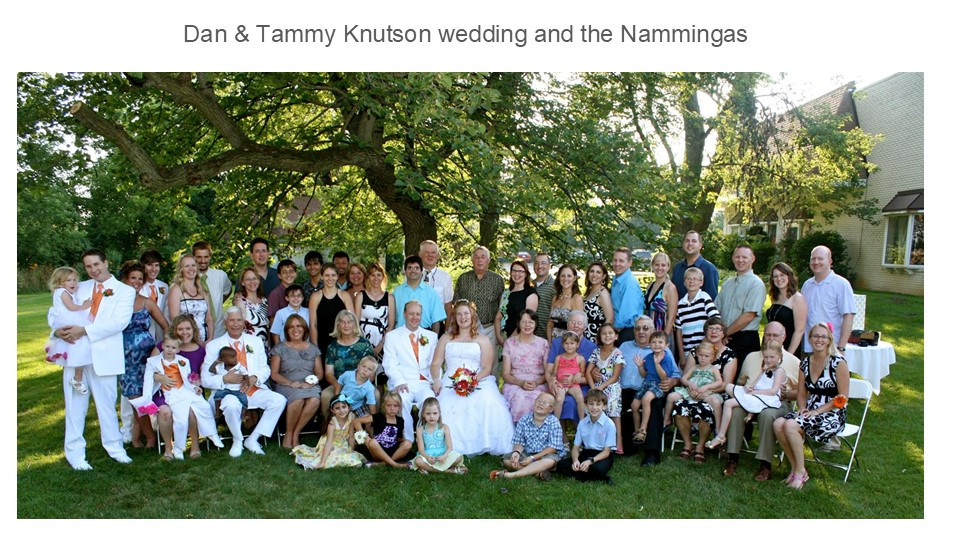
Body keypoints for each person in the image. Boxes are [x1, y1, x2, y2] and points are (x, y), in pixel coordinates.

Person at [53, 248, 134, 470]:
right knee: (74, 406)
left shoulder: (125, 291)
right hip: (75, 353)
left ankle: (115, 448)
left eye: (96, 264)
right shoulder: (78, 286)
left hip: (105, 354)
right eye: (88, 266)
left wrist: (84, 330)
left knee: (107, 406)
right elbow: (57, 310)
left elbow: (119, 323)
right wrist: (57, 331)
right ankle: (75, 454)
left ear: (106, 263)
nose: (93, 270)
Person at [432, 299, 515, 457]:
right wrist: (436, 380)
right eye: (459, 314)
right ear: (454, 317)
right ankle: (446, 443)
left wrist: (471, 381)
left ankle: (485, 442)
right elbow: (436, 363)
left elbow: (486, 368)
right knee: (444, 402)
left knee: (488, 401)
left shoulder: (482, 339)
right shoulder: (446, 338)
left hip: (478, 378)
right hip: (451, 378)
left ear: (472, 316)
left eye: (466, 313)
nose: (463, 317)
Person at [202, 306, 286, 457]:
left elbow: (265, 368)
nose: (235, 324)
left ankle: (253, 439)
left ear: (244, 322)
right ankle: (238, 440)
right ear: (225, 323)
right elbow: (205, 379)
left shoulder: (255, 342)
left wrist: (255, 378)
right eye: (231, 320)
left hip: (252, 389)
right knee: (231, 405)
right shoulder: (213, 346)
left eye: (239, 320)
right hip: (228, 392)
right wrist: (223, 378)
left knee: (279, 400)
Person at [774, 322, 850, 489]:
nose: (819, 340)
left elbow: (843, 398)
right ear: (809, 339)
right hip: (809, 410)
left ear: (829, 340)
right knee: (778, 424)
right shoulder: (805, 363)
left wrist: (818, 411)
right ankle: (796, 468)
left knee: (791, 426)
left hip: (832, 412)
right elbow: (802, 393)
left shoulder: (838, 363)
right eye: (815, 336)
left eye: (823, 336)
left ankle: (800, 472)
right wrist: (802, 408)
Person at [720, 321, 800, 480]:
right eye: (768, 335)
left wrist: (787, 393)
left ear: (784, 337)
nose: (771, 338)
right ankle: (732, 458)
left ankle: (765, 464)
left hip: (778, 402)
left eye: (775, 335)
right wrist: (746, 391)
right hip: (751, 399)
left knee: (767, 415)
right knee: (735, 410)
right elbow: (741, 382)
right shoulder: (751, 357)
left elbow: (801, 392)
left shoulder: (794, 362)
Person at [131, 335, 223, 460]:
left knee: (205, 406)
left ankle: (212, 434)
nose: (170, 350)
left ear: (178, 349)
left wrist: (195, 387)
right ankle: (178, 448)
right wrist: (146, 399)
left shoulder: (183, 361)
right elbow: (148, 381)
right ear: (162, 346)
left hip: (185, 390)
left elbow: (187, 378)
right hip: (172, 394)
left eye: (173, 348)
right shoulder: (153, 362)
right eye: (167, 346)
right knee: (181, 420)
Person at [612, 315, 677, 463]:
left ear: (653, 330)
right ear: (633, 331)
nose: (641, 331)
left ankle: (652, 452)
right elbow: (611, 364)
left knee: (654, 404)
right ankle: (628, 444)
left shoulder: (663, 350)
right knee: (621, 402)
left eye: (646, 328)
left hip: (651, 388)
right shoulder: (624, 346)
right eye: (638, 328)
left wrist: (672, 382)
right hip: (625, 389)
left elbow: (676, 375)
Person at [119, 260, 168, 449]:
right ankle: (147, 435)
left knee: (144, 395)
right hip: (125, 359)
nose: (137, 282)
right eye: (133, 278)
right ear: (125, 279)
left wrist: (162, 349)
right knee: (134, 398)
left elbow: (166, 327)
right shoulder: (116, 302)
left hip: (147, 357)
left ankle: (144, 437)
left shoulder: (147, 302)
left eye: (140, 278)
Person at [706, 340, 786, 450]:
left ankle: (721, 436)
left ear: (779, 356)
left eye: (772, 357)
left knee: (728, 403)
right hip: (756, 395)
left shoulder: (779, 371)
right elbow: (755, 385)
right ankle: (749, 408)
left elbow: (773, 391)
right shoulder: (765, 369)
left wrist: (754, 393)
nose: (768, 360)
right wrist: (749, 387)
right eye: (766, 357)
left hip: (766, 398)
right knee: (728, 387)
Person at [150, 315, 207, 459]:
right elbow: (149, 369)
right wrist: (158, 377)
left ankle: (195, 446)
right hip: (163, 390)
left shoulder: (201, 350)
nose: (184, 332)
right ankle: (168, 448)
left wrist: (197, 384)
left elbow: (205, 375)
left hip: (188, 390)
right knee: (165, 412)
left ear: (193, 329)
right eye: (180, 329)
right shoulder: (164, 346)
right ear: (174, 330)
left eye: (188, 328)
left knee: (191, 410)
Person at [382, 300, 438, 441]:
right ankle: (408, 440)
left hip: (424, 382)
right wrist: (399, 381)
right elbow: (389, 363)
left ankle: (427, 439)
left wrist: (434, 381)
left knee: (429, 401)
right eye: (411, 314)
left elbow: (435, 363)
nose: (415, 317)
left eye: (418, 314)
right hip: (403, 381)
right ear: (404, 314)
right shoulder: (392, 336)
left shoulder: (431, 337)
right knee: (403, 401)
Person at [269, 314, 322, 448]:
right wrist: (290, 383)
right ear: (286, 330)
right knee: (298, 399)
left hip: (308, 384)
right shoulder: (279, 348)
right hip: (286, 384)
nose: (295, 329)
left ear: (304, 329)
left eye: (299, 326)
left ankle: (296, 433)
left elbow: (319, 373)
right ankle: (288, 433)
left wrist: (311, 382)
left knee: (315, 399)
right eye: (291, 327)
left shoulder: (313, 348)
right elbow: (274, 374)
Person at [667, 341, 724, 462]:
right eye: (701, 355)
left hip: (706, 394)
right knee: (671, 396)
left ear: (713, 357)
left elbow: (719, 382)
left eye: (706, 356)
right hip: (690, 393)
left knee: (716, 402)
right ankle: (666, 420)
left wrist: (707, 387)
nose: (703, 358)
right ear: (697, 354)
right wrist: (689, 384)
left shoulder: (713, 369)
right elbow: (683, 379)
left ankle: (718, 429)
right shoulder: (694, 367)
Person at [489, 392, 565, 481]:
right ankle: (538, 472)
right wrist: (517, 452)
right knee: (507, 460)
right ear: (535, 402)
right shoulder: (524, 420)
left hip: (546, 454)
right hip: (528, 453)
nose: (541, 403)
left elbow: (552, 448)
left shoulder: (554, 422)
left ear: (551, 409)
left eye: (545, 403)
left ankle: (510, 475)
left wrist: (533, 458)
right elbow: (519, 441)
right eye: (539, 401)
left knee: (550, 461)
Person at [714, 244, 766, 366]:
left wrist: (724, 334)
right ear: (733, 258)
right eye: (737, 257)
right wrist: (719, 333)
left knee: (742, 376)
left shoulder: (756, 284)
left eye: (744, 257)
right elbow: (716, 311)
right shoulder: (727, 284)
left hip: (745, 340)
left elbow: (749, 316)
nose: (740, 260)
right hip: (725, 339)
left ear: (752, 259)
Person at [320, 309, 376, 422]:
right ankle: (331, 425)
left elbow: (371, 370)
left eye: (350, 322)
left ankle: (373, 425)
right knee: (325, 395)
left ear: (355, 324)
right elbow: (329, 373)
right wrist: (338, 385)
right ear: (338, 324)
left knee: (377, 395)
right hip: (339, 384)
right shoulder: (332, 347)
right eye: (343, 322)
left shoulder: (364, 344)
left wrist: (360, 385)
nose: (346, 325)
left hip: (362, 383)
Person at [45, 267, 92, 394]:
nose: (73, 283)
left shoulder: (62, 292)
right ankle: (77, 378)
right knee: (81, 348)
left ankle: (77, 377)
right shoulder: (63, 292)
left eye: (74, 280)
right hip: (69, 320)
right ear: (59, 282)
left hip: (67, 320)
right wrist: (84, 306)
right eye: (68, 280)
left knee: (78, 348)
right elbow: (71, 307)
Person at [801, 245, 856, 354]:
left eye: (820, 258)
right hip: (808, 347)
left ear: (830, 261)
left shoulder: (841, 284)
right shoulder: (807, 285)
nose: (816, 262)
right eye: (813, 259)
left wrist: (841, 348)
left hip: (831, 349)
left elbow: (848, 316)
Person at [555, 389, 616, 483]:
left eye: (598, 404)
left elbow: (606, 452)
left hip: (602, 455)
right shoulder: (582, 423)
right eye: (591, 404)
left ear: (604, 406)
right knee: (560, 465)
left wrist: (590, 461)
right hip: (586, 452)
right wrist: (575, 461)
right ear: (586, 406)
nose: (594, 407)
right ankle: (591, 476)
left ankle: (596, 476)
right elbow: (575, 448)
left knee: (598, 469)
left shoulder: (609, 424)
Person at [546, 310, 596, 423]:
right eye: (572, 322)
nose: (575, 325)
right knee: (556, 398)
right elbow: (549, 370)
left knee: (574, 400)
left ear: (585, 327)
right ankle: (557, 428)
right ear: (567, 324)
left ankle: (581, 428)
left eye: (579, 323)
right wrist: (551, 381)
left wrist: (575, 379)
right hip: (558, 383)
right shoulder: (557, 343)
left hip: (580, 386)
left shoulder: (592, 347)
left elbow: (591, 376)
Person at [630, 331, 679, 444]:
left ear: (666, 345)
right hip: (647, 383)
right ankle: (637, 431)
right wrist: (640, 367)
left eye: (660, 342)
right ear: (649, 344)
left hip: (659, 384)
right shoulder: (648, 357)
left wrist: (657, 364)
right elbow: (644, 374)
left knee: (646, 399)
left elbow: (664, 377)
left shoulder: (666, 358)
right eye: (654, 342)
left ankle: (643, 430)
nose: (657, 344)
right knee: (634, 405)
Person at [291, 393, 365, 469]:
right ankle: (324, 460)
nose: (341, 410)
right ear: (332, 410)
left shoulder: (351, 417)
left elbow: (351, 436)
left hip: (343, 443)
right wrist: (322, 462)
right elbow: (329, 442)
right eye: (337, 408)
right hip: (330, 444)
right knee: (331, 457)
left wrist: (351, 451)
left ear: (348, 408)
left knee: (350, 457)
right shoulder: (332, 423)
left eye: (344, 407)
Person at [501, 309, 550, 422]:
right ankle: (519, 429)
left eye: (531, 322)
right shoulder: (509, 343)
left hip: (538, 383)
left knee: (538, 398)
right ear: (518, 324)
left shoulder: (543, 343)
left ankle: (537, 430)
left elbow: (547, 372)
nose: (527, 325)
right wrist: (520, 383)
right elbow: (506, 374)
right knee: (519, 398)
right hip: (515, 383)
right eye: (524, 322)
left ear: (536, 324)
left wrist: (536, 383)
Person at [454, 246, 505, 351]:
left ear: (488, 260)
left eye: (483, 257)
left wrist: (498, 331)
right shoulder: (463, 279)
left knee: (490, 360)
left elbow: (502, 307)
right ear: (472, 260)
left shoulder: (497, 280)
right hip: (467, 330)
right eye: (476, 257)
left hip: (489, 329)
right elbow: (456, 305)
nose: (479, 260)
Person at [585, 323, 624, 452]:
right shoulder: (596, 351)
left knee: (613, 410)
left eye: (610, 333)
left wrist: (600, 388)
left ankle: (618, 442)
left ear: (616, 336)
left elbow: (615, 376)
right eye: (604, 333)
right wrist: (593, 388)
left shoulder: (617, 354)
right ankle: (595, 441)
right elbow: (588, 372)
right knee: (592, 408)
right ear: (600, 336)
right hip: (596, 386)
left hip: (611, 386)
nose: (607, 336)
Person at [308, 263, 355, 360]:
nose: (330, 278)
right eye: (327, 275)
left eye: (333, 275)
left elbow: (352, 322)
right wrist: (315, 348)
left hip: (342, 342)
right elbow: (313, 325)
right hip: (322, 342)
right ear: (321, 277)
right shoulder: (315, 297)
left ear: (337, 276)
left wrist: (351, 344)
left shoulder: (344, 295)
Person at [354, 390, 412, 468]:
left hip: (392, 450)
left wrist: (405, 442)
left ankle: (384, 463)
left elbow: (399, 438)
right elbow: (356, 421)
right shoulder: (378, 417)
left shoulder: (400, 420)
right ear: (384, 406)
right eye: (389, 405)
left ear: (399, 407)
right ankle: (395, 464)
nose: (392, 408)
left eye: (395, 406)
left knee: (408, 443)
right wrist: (365, 437)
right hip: (377, 449)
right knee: (372, 442)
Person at [674, 266, 720, 362]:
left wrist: (706, 340)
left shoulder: (704, 298)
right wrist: (681, 356)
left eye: (695, 279)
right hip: (687, 352)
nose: (691, 281)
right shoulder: (681, 304)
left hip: (704, 350)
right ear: (684, 282)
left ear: (701, 282)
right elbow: (679, 331)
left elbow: (716, 319)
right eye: (688, 279)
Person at [412, 397, 468, 474]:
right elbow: (421, 450)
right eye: (428, 413)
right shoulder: (420, 429)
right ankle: (450, 471)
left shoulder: (445, 428)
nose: (431, 416)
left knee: (458, 457)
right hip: (428, 456)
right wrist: (428, 457)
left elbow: (449, 448)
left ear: (439, 413)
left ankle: (428, 469)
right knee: (418, 461)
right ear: (423, 414)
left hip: (442, 455)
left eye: (435, 413)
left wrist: (444, 456)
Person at [355, 261, 395, 366]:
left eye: (379, 275)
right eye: (372, 275)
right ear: (368, 277)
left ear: (383, 277)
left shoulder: (389, 297)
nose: (376, 278)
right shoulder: (361, 296)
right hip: (363, 342)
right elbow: (356, 322)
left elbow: (391, 325)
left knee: (381, 372)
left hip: (383, 343)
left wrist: (380, 345)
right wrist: (366, 345)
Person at [167, 255, 214, 343]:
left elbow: (209, 319)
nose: (191, 269)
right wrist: (195, 341)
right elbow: (175, 320)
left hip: (205, 341)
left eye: (193, 265)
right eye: (187, 266)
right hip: (186, 341)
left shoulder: (203, 290)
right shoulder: (176, 289)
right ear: (181, 270)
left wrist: (210, 339)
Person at [392, 255, 445, 332]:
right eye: (409, 268)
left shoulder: (431, 293)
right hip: (400, 334)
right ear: (405, 271)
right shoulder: (396, 292)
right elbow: (392, 320)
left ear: (421, 271)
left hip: (425, 334)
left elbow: (436, 321)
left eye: (416, 268)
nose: (413, 271)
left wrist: (434, 338)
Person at [192, 241, 233, 339]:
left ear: (210, 256)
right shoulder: (189, 278)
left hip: (218, 331)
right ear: (193, 257)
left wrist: (217, 304)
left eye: (206, 257)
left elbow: (228, 290)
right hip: (196, 333)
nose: (203, 261)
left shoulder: (221, 275)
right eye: (199, 257)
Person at [766, 262, 807, 356]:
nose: (779, 278)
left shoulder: (797, 298)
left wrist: (788, 355)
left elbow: (799, 331)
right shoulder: (775, 297)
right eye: (775, 276)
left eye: (782, 275)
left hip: (789, 347)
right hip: (772, 347)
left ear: (789, 276)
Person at [494, 259, 539, 345]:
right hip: (503, 339)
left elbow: (527, 321)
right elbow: (498, 316)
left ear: (526, 274)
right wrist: (499, 337)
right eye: (514, 270)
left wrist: (510, 341)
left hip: (520, 340)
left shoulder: (530, 293)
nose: (516, 274)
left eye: (520, 271)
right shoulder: (507, 293)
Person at [548, 331, 587, 420]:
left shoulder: (580, 359)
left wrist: (579, 374)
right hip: (560, 384)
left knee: (580, 398)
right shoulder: (558, 358)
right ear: (563, 345)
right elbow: (554, 373)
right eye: (566, 343)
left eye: (572, 343)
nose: (569, 346)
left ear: (577, 345)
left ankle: (582, 422)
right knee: (559, 399)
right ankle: (556, 422)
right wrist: (553, 379)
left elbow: (583, 373)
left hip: (573, 384)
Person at [671, 230, 719, 301]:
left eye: (694, 241)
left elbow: (712, 300)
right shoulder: (678, 268)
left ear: (700, 245)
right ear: (683, 244)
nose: (690, 243)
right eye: (687, 241)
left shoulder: (709, 269)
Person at [610, 247, 645, 345]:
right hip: (619, 330)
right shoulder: (617, 278)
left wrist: (611, 331)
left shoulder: (629, 283)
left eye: (621, 261)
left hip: (625, 332)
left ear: (630, 263)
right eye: (615, 260)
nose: (617, 264)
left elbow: (626, 315)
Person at [233, 266, 270, 352]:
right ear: (242, 283)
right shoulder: (240, 302)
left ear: (258, 281)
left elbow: (267, 328)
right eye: (248, 279)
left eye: (254, 278)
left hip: (264, 346)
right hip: (249, 348)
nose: (252, 281)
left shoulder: (265, 301)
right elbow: (238, 327)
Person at [545, 263, 584, 340]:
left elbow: (578, 327)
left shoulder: (576, 298)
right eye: (563, 276)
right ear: (559, 278)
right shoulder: (555, 297)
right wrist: (550, 342)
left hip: (569, 342)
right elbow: (550, 324)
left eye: (569, 276)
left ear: (574, 278)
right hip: (554, 341)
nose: (566, 279)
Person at [419, 240, 454, 325]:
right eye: (426, 252)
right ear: (420, 254)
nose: (430, 255)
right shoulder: (412, 275)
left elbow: (448, 306)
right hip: (416, 322)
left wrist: (446, 329)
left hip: (438, 323)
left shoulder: (445, 277)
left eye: (433, 252)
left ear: (437, 255)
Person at [645, 252, 678, 337]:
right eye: (657, 265)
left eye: (663, 265)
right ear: (652, 266)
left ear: (668, 267)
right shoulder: (650, 286)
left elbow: (672, 317)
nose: (660, 268)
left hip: (662, 334)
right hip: (648, 335)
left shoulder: (670, 287)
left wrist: (664, 338)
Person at [139, 249, 169, 341]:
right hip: (142, 337)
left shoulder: (164, 286)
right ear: (143, 266)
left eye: (156, 265)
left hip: (162, 335)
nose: (154, 269)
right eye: (150, 265)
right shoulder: (137, 287)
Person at [582, 261, 614, 343]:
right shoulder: (589, 292)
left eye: (598, 272)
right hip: (585, 337)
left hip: (595, 337)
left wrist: (600, 338)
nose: (594, 275)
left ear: (604, 276)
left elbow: (610, 319)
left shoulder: (603, 293)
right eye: (592, 271)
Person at [532, 253, 555, 340]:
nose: (540, 266)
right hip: (528, 336)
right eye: (536, 263)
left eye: (543, 263)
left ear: (549, 266)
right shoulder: (529, 285)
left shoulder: (555, 286)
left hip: (546, 338)